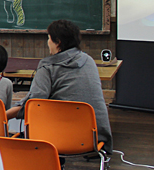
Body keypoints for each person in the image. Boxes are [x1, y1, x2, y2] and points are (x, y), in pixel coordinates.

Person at [7, 19, 113, 152]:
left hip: (57, 138)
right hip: (94, 138)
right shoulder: (89, 61)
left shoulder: (48, 66)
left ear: (58, 42)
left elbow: (33, 103)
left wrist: (4, 115)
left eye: (49, 38)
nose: (48, 42)